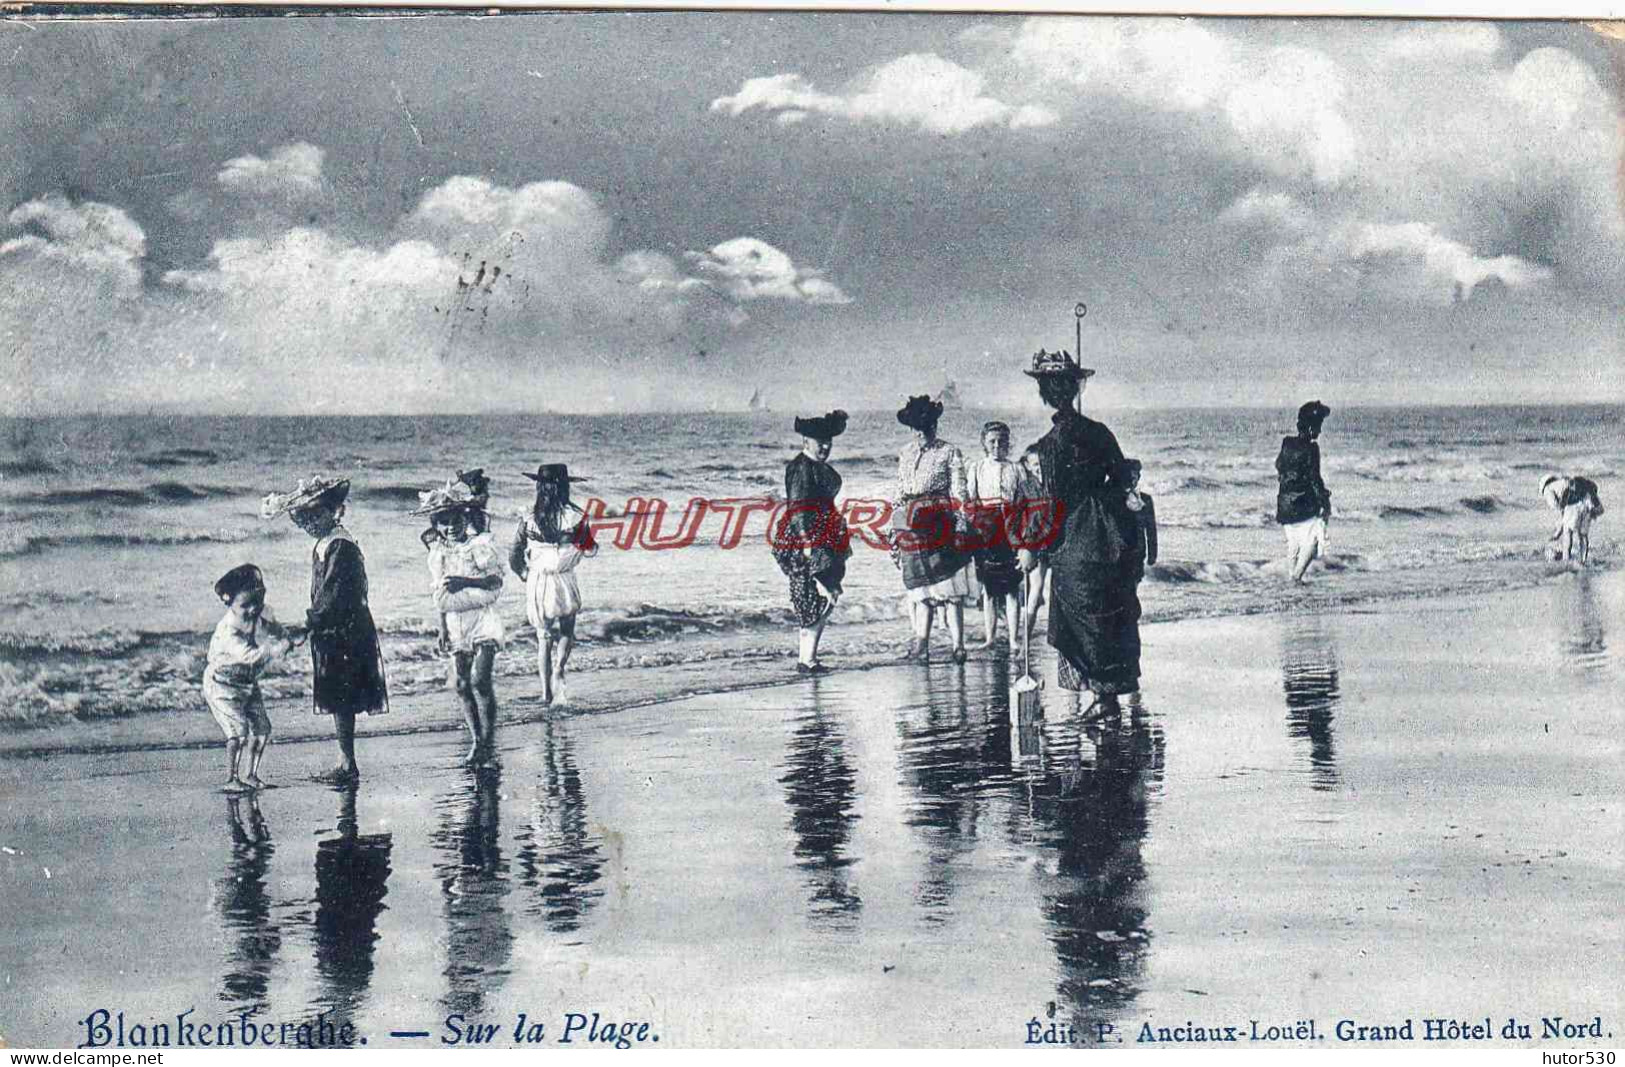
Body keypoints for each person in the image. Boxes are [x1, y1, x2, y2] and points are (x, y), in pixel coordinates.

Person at [1015, 349, 1141, 716]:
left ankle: (1102, 698)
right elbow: (1122, 478)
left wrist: (1031, 546)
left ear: (1045, 393)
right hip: (1110, 533)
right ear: (1073, 388)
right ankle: (1109, 694)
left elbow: (1052, 503)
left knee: (1081, 615)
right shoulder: (1099, 432)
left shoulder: (1051, 445)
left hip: (1076, 538)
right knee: (1109, 613)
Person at [261, 476, 389, 784]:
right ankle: (347, 760)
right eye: (303, 517)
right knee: (339, 698)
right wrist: (314, 621)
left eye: (315, 514)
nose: (308, 522)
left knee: (342, 697)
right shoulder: (326, 544)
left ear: (335, 512)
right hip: (334, 628)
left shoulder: (340, 546)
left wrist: (308, 622)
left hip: (345, 629)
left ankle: (348, 763)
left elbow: (335, 594)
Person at [416, 477, 506, 768]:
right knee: (461, 684)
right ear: (436, 526)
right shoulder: (438, 554)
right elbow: (439, 592)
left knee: (481, 680)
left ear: (463, 518)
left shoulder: (479, 545)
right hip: (455, 621)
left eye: (454, 519)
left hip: (482, 618)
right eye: (443, 522)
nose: (450, 527)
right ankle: (477, 741)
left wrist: (465, 581)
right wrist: (442, 627)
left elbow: (495, 581)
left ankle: (488, 742)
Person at [891, 394, 975, 663]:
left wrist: (961, 525)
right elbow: (899, 491)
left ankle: (958, 646)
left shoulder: (949, 452)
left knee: (949, 590)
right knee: (921, 592)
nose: (920, 432)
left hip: (941, 523)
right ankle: (921, 646)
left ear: (934, 427)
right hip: (912, 525)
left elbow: (959, 491)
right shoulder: (905, 453)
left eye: (925, 427)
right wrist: (894, 528)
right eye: (916, 427)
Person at [771, 410, 853, 674]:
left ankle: (807, 658)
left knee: (822, 598)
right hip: (805, 539)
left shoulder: (815, 466)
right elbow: (797, 508)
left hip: (822, 536)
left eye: (828, 442)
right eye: (820, 442)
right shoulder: (801, 468)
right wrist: (807, 542)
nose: (826, 447)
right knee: (819, 596)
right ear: (806, 441)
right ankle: (807, 659)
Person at [510, 464, 597, 705]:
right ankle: (559, 667)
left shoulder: (528, 516)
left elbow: (515, 553)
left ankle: (546, 694)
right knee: (567, 631)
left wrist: (523, 573)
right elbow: (589, 548)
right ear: (566, 486)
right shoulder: (576, 516)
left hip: (538, 580)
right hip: (565, 578)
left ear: (539, 486)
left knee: (543, 638)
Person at [204, 564, 295, 792]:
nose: (253, 609)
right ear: (230, 603)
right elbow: (249, 656)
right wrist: (278, 649)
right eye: (245, 605)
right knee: (238, 732)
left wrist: (285, 636)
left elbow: (275, 627)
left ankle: (252, 774)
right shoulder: (228, 630)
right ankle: (231, 778)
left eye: (258, 600)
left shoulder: (263, 612)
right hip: (222, 684)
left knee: (262, 728)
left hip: (247, 683)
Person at [965, 420, 1029, 653]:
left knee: (1012, 588)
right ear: (984, 442)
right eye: (991, 441)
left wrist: (1023, 533)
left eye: (1001, 441)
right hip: (986, 530)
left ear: (1008, 442)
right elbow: (970, 501)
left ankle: (1013, 639)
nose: (997, 445)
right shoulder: (977, 468)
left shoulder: (1017, 469)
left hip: (1010, 528)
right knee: (989, 589)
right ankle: (990, 638)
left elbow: (1024, 501)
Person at [1275, 400, 1332, 584]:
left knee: (1294, 545)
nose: (1320, 431)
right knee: (1314, 541)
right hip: (1302, 505)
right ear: (1311, 427)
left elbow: (1280, 466)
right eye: (1318, 426)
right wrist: (1325, 501)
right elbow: (1315, 479)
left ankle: (1292, 579)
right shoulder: (1312, 449)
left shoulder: (1286, 443)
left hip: (1284, 505)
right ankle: (1296, 577)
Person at [1020, 446, 1051, 642]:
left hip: (1056, 543)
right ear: (1028, 466)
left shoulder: (1054, 485)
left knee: (1055, 591)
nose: (1040, 468)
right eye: (1035, 465)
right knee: (1035, 591)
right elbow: (1015, 517)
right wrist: (1022, 546)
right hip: (1035, 544)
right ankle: (1025, 641)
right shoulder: (1025, 487)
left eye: (1043, 463)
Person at [1541, 474, 1605, 564]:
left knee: (1568, 532)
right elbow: (1600, 508)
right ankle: (1583, 560)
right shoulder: (1567, 482)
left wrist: (1557, 534)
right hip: (1587, 503)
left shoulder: (1548, 489)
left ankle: (1566, 560)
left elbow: (1559, 507)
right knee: (1583, 535)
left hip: (1573, 504)